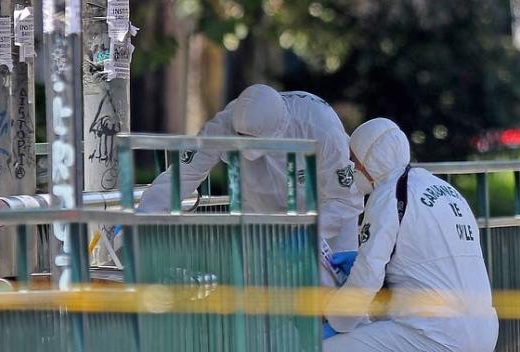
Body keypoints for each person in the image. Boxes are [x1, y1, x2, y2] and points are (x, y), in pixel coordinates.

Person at [322, 118, 498, 352]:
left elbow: (366, 279)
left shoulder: (389, 196)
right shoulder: (445, 191)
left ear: (372, 160)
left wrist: (335, 322)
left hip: (437, 336)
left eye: (355, 160)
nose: (352, 169)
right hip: (483, 333)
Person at [137, 85, 362, 255]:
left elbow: (344, 200)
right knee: (259, 293)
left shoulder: (321, 126)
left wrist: (307, 234)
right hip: (263, 216)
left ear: (279, 129)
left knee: (338, 295)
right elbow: (185, 173)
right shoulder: (225, 124)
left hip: (327, 218)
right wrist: (144, 216)